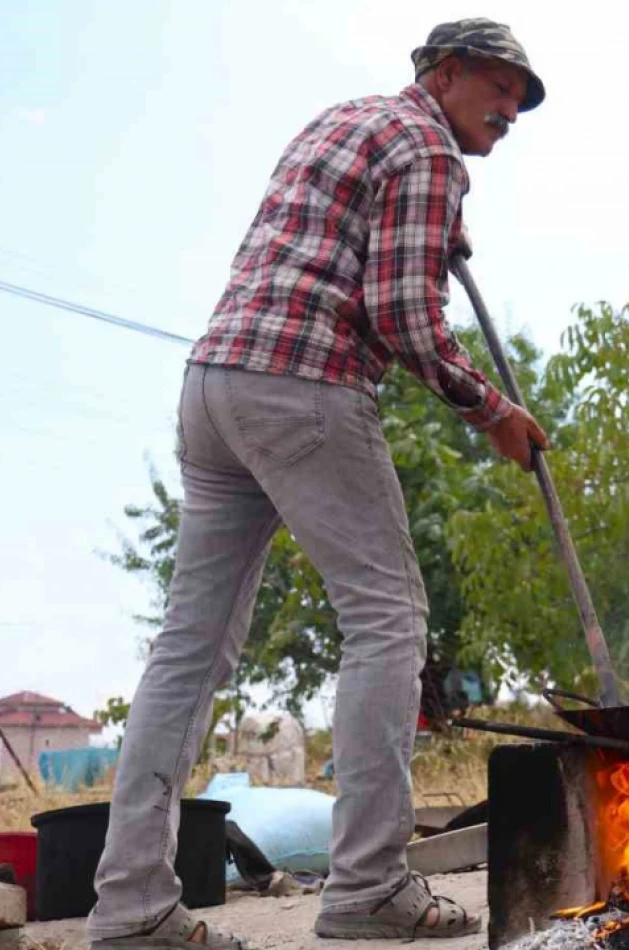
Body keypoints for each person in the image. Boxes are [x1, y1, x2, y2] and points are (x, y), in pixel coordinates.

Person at [86, 19, 549, 948]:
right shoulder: (427, 147)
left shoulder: (344, 120)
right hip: (305, 386)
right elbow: (403, 316)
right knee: (387, 618)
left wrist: (435, 229)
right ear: (444, 72)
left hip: (215, 386)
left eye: (520, 98)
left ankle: (132, 904)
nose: (510, 111)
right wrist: (491, 409)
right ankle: (370, 886)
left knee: (192, 648)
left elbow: (330, 243)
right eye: (499, 87)